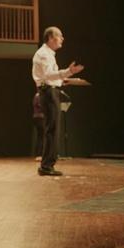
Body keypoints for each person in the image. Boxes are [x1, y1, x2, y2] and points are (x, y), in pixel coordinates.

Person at [31, 26, 84, 176]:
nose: (62, 38)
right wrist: (68, 72)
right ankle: (46, 166)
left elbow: (49, 76)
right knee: (52, 129)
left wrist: (64, 79)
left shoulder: (48, 53)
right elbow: (48, 75)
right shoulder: (44, 54)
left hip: (49, 90)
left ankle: (47, 165)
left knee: (53, 129)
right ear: (50, 38)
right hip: (48, 92)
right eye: (59, 35)